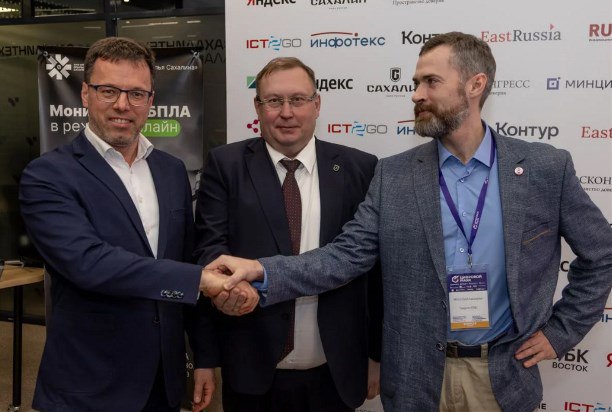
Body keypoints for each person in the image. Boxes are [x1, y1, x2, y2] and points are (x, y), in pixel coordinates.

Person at [207, 32, 612, 411]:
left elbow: (602, 254)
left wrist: (560, 332)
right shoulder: (394, 175)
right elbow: (343, 257)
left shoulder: (544, 168)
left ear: (475, 85)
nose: (416, 94)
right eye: (416, 83)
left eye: (431, 82)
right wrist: (263, 269)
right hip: (416, 382)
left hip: (504, 378)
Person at [19, 37, 256, 412]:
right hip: (89, 385)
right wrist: (201, 281)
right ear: (85, 94)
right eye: (108, 90)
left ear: (150, 100)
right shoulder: (47, 175)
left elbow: (186, 258)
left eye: (136, 94)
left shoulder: (171, 171)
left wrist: (204, 358)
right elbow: (88, 263)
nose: (122, 105)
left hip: (163, 382)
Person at [188, 57, 383, 412]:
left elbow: (373, 271)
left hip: (336, 370)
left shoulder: (360, 168)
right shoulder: (226, 165)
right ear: (258, 107)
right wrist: (205, 355)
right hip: (250, 368)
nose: (287, 113)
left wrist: (375, 354)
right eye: (274, 101)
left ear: (317, 104)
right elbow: (208, 253)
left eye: (298, 100)